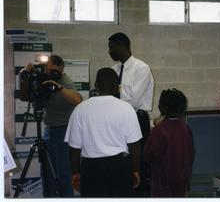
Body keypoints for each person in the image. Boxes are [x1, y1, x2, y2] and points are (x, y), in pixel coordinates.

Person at [64, 68, 143, 197]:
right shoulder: (127, 109)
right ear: (118, 87)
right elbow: (135, 145)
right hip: (119, 167)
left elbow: (74, 147)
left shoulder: (80, 109)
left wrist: (75, 173)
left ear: (96, 86)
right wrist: (135, 170)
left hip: (91, 168)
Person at [24, 55, 82, 197]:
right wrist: (28, 75)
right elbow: (29, 95)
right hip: (48, 131)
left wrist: (59, 87)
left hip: (64, 132)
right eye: (50, 70)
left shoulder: (65, 81)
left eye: (56, 71)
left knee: (64, 173)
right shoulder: (42, 78)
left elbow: (77, 99)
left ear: (62, 69)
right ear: (46, 68)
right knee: (48, 172)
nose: (53, 74)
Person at [108, 32, 154, 197]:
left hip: (136, 120)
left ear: (122, 46)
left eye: (111, 48)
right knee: (121, 163)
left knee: (138, 165)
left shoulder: (141, 68)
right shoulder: (113, 70)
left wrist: (111, 102)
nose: (109, 52)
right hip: (116, 122)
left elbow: (133, 101)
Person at [144, 88, 195, 197]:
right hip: (181, 185)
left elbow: (148, 155)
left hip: (162, 186)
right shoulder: (186, 129)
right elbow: (191, 154)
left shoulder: (159, 130)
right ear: (182, 108)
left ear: (161, 108)